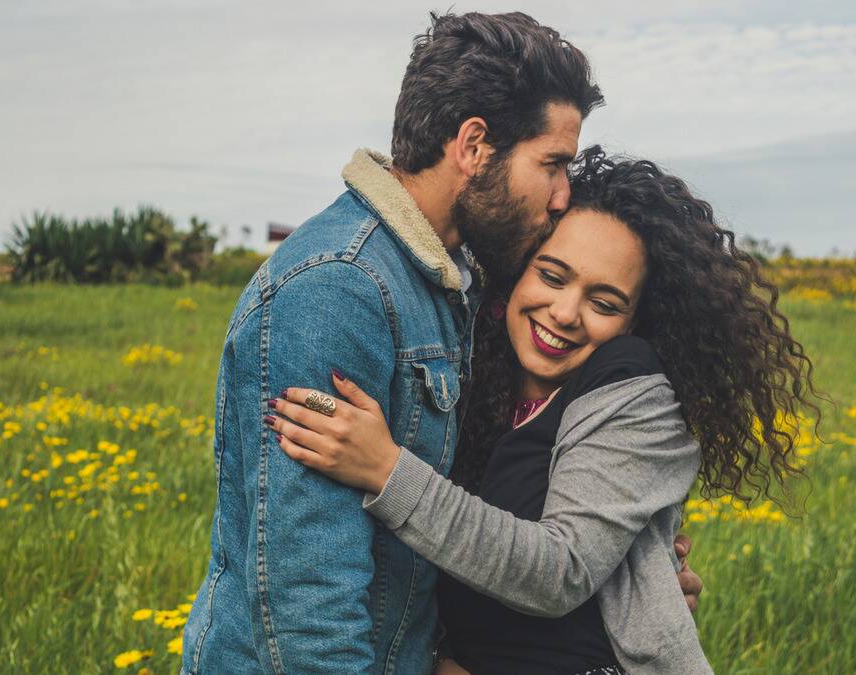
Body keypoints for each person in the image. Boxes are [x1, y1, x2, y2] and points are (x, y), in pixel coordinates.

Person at [181, 13, 701, 674]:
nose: (563, 194)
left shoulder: (450, 285)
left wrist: (636, 584)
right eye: (552, 164)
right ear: (474, 146)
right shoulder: (340, 289)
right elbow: (304, 604)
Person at [267, 148, 822, 674]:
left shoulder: (634, 388)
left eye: (604, 303)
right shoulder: (473, 376)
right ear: (515, 274)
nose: (564, 312)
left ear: (634, 322)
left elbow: (559, 573)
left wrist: (385, 470)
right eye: (552, 276)